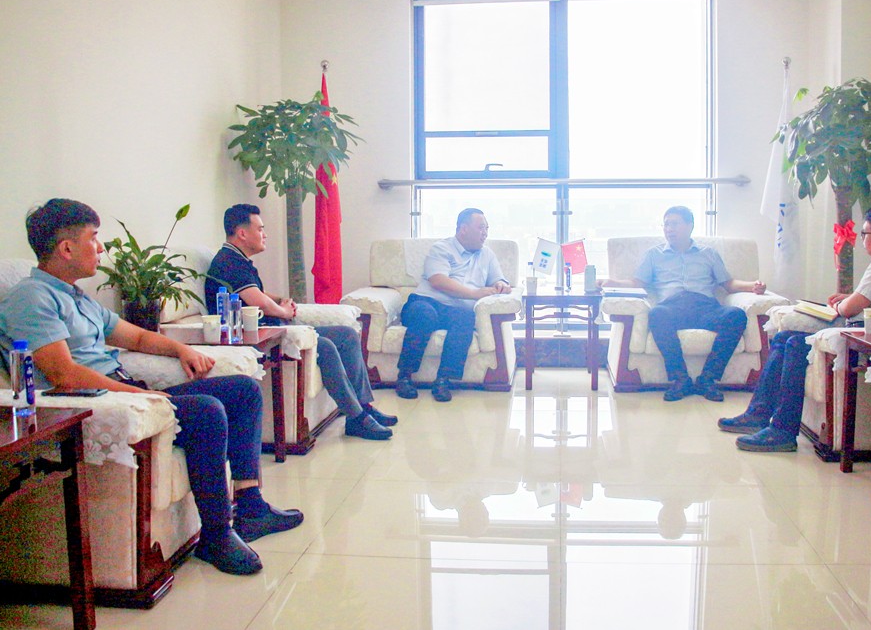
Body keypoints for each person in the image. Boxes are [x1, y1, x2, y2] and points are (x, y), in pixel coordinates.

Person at [0, 199, 303, 576]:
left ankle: (251, 506)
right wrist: (139, 395)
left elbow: (137, 337)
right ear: (66, 248)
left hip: (125, 390)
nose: (100, 247)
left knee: (243, 390)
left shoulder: (77, 297)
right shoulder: (32, 298)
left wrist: (181, 350)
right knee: (206, 410)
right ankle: (216, 535)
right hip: (97, 403)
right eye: (93, 238)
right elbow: (64, 374)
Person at [719, 204, 871, 452]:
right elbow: (869, 298)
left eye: (865, 234)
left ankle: (782, 431)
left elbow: (849, 309)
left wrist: (842, 304)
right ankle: (758, 414)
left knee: (795, 344)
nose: (862, 240)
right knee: (784, 337)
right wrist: (848, 298)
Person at [205, 204, 396, 441]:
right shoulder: (229, 262)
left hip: (272, 328)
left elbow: (257, 294)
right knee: (324, 345)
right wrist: (283, 311)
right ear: (242, 233)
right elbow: (260, 303)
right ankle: (356, 418)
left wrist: (280, 300)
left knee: (346, 335)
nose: (265, 234)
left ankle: (363, 406)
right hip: (261, 335)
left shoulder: (237, 260)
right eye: (260, 229)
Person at [599, 205, 766, 402]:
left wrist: (752, 286)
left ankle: (707, 378)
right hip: (672, 307)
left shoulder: (708, 253)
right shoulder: (654, 255)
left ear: (690, 226)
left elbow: (728, 284)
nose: (669, 229)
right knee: (656, 314)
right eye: (666, 225)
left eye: (674, 224)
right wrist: (611, 282)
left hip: (705, 307)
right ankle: (681, 379)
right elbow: (637, 283)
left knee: (736, 315)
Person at [395, 208, 511, 402]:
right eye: (481, 228)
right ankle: (404, 377)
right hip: (425, 301)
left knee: (466, 318)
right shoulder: (442, 248)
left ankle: (443, 380)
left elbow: (499, 279)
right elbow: (438, 280)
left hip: (455, 310)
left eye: (487, 228)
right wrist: (474, 294)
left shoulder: (487, 254)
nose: (485, 233)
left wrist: (501, 284)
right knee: (425, 316)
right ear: (463, 229)